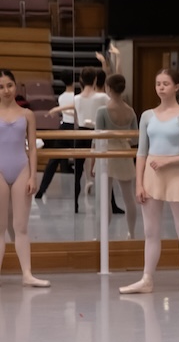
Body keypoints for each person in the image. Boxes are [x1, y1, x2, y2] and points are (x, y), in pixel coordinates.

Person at [118, 68, 179, 296]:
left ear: (176, 86)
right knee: (151, 231)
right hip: (151, 175)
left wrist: (169, 162)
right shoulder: (146, 116)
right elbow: (141, 152)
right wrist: (139, 184)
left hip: (175, 174)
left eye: (166, 83)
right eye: (158, 83)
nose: (161, 87)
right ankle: (147, 278)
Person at [0, 70, 51, 288]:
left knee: (20, 226)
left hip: (21, 168)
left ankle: (27, 273)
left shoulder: (27, 114)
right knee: (0, 227)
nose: (6, 90)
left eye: (9, 85)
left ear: (16, 86)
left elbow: (32, 149)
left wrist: (33, 175)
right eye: (1, 87)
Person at [47, 66, 109, 213]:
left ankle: (75, 204)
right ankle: (109, 203)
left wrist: (57, 109)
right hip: (96, 134)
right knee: (103, 171)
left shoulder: (77, 98)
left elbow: (73, 109)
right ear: (95, 79)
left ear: (81, 80)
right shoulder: (102, 97)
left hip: (81, 134)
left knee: (78, 172)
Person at [94, 74, 140, 238]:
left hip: (106, 154)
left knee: (104, 200)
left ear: (108, 88)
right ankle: (132, 233)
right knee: (129, 198)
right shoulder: (130, 111)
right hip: (124, 153)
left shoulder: (103, 111)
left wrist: (93, 161)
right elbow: (135, 138)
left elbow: (97, 138)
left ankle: (102, 236)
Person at [35, 71, 76, 199]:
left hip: (64, 128)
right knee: (79, 161)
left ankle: (42, 189)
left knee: (53, 161)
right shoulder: (76, 97)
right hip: (74, 128)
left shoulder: (62, 97)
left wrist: (58, 109)